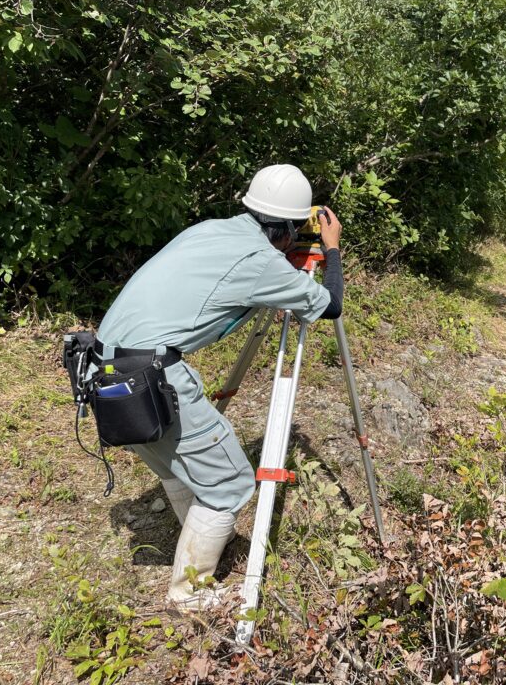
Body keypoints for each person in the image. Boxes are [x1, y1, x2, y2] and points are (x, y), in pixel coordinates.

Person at [94, 164, 344, 608]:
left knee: (175, 464)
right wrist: (331, 248)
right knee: (229, 483)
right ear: (286, 228)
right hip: (151, 378)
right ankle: (190, 595)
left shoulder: (211, 229)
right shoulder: (261, 262)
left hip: (103, 370)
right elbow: (330, 305)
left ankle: (206, 535)